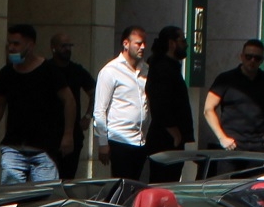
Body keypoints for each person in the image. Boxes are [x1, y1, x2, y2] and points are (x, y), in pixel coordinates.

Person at [0, 23, 78, 185]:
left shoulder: (49, 70)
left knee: (44, 197)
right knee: (11, 196)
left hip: (44, 148)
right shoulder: (7, 72)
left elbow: (69, 100)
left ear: (30, 45)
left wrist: (68, 134)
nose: (11, 48)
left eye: (16, 44)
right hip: (14, 146)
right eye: (9, 43)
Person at [93, 24, 152, 180]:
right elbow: (99, 110)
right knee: (121, 185)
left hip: (140, 140)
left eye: (144, 43)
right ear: (126, 44)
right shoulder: (110, 71)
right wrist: (103, 143)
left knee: (135, 185)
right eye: (138, 43)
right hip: (119, 139)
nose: (143, 47)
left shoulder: (146, 70)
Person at [203, 39, 264, 162]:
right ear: (241, 57)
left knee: (254, 181)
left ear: (262, 61)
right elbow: (208, 109)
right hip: (231, 145)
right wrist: (222, 138)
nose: (252, 61)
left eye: (257, 58)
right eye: (249, 57)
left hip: (257, 145)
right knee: (227, 181)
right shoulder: (225, 79)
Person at [144, 26, 196, 160]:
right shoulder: (162, 68)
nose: (186, 45)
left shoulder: (171, 67)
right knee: (164, 179)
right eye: (183, 41)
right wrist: (175, 133)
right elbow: (159, 104)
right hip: (164, 139)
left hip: (171, 137)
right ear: (172, 43)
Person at [50, 34, 95, 176]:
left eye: (70, 46)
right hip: (48, 134)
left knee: (67, 177)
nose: (67, 49)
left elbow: (95, 92)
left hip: (72, 134)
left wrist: (88, 116)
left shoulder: (77, 70)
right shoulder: (46, 69)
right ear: (53, 48)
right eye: (63, 46)